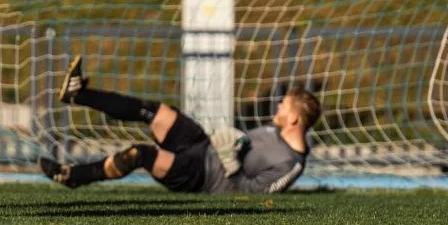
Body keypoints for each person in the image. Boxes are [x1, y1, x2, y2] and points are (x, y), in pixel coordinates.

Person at [39, 56, 321, 194]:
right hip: (202, 145)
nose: (278, 107)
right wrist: (231, 140)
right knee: (154, 111)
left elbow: (252, 195)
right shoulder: (273, 130)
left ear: (294, 119)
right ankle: (78, 94)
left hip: (199, 176)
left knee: (140, 154)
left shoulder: (290, 163)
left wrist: (230, 162)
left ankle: (72, 176)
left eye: (284, 106)